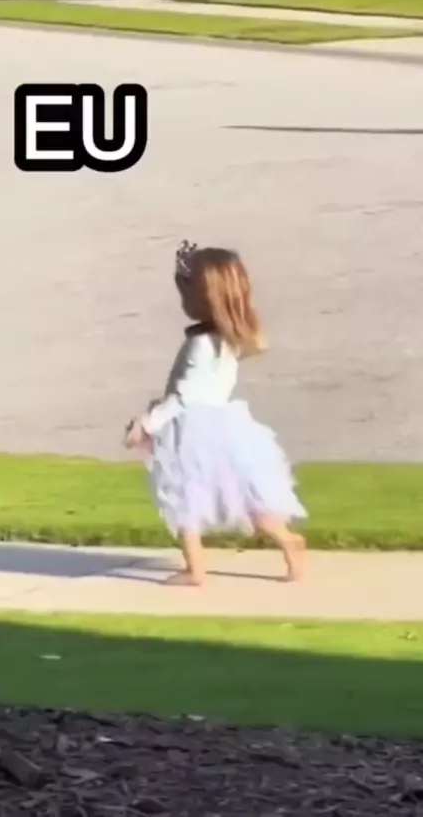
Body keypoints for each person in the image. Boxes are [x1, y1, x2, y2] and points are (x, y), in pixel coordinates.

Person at [124, 241, 307, 586]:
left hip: (191, 429)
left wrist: (147, 424)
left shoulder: (201, 344)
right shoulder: (229, 340)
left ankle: (196, 570)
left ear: (203, 298)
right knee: (247, 493)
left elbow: (185, 396)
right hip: (225, 423)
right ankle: (286, 539)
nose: (183, 302)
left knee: (183, 496)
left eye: (187, 293)